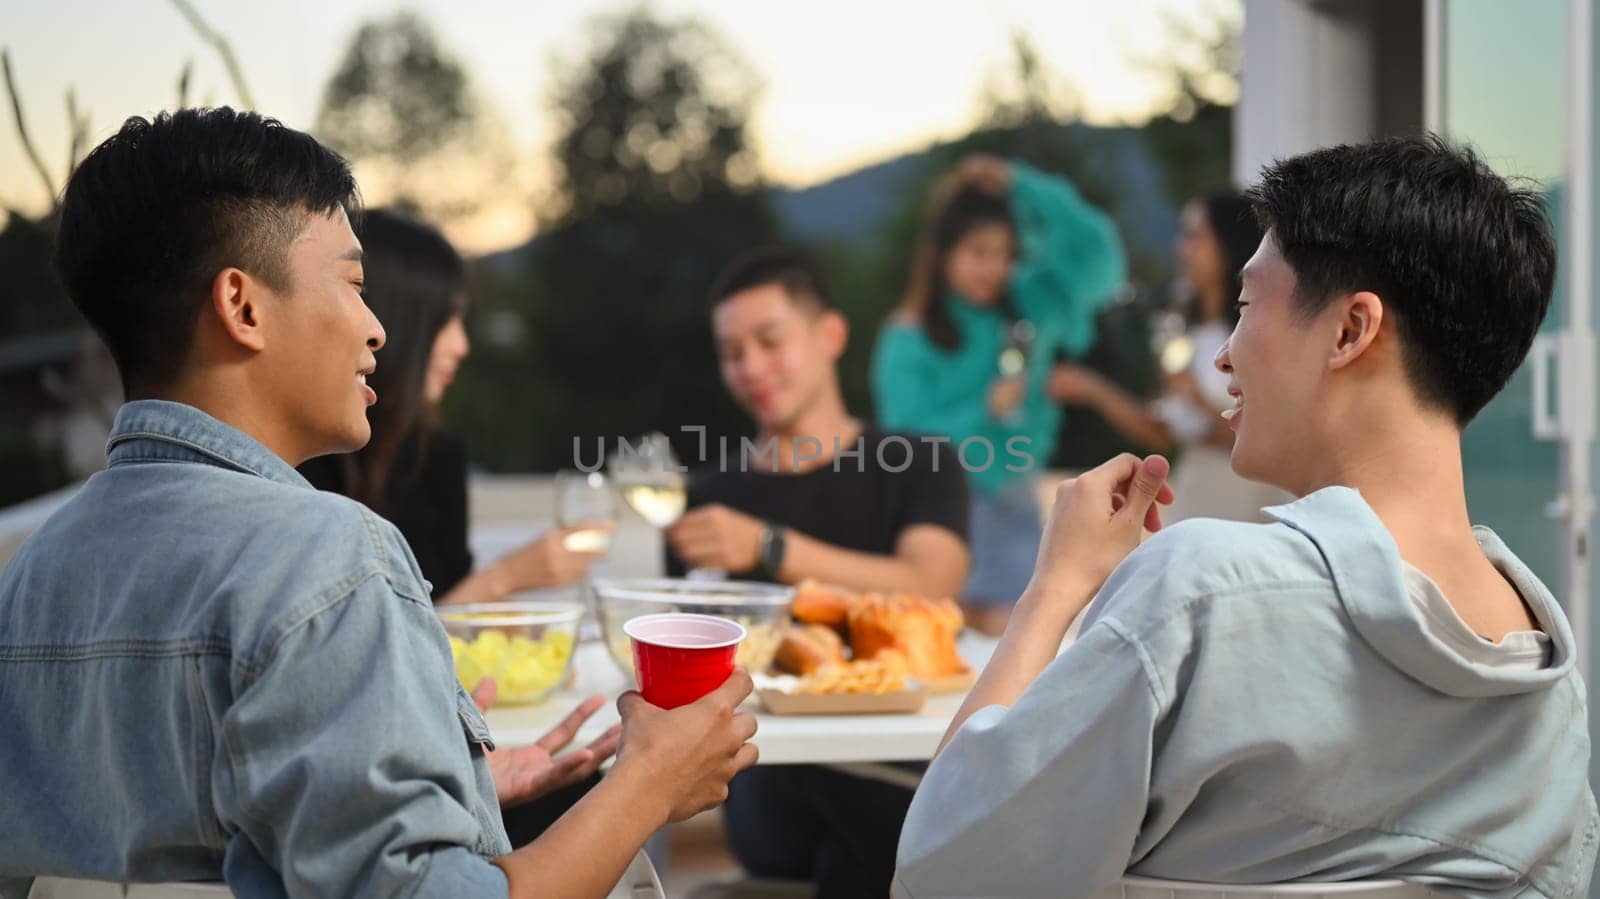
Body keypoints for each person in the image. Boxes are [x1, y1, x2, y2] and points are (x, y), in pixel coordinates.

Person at [0, 107, 758, 899]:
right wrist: (649, 781)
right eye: (355, 283)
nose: (377, 329)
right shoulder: (327, 556)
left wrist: (449, 793)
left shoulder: (30, 576)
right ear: (243, 306)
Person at [895, 136, 1597, 898]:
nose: (1225, 355)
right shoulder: (1553, 699)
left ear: (1349, 331)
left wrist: (1055, 588)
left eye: (1246, 306)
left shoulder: (1200, 595)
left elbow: (945, 872)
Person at [664, 249, 970, 898]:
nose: (750, 367)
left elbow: (933, 581)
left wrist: (769, 547)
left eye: (769, 341)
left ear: (830, 335)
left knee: (873, 833)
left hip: (898, 756)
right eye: (732, 351)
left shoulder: (918, 462)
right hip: (775, 781)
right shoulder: (712, 494)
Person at [872, 154, 1126, 634]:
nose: (994, 269)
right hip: (937, 514)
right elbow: (899, 444)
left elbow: (1099, 254)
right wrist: (982, 410)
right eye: (979, 252)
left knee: (1021, 644)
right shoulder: (907, 335)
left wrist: (1022, 184)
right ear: (942, 251)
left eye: (1006, 255)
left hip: (1015, 507)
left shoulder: (1030, 306)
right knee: (937, 644)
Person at [299, 208, 603, 605]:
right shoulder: (307, 463)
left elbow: (455, 631)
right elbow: (371, 649)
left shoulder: (438, 458)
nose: (461, 346)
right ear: (394, 318)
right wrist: (507, 578)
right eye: (445, 321)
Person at [1051, 192, 1291, 523]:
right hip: (1198, 492)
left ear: (1227, 242)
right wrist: (1091, 389)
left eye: (1194, 235)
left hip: (1249, 497)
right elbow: (1162, 433)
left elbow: (1276, 434)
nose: (1181, 248)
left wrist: (1197, 398)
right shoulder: (1187, 332)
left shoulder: (1264, 332)